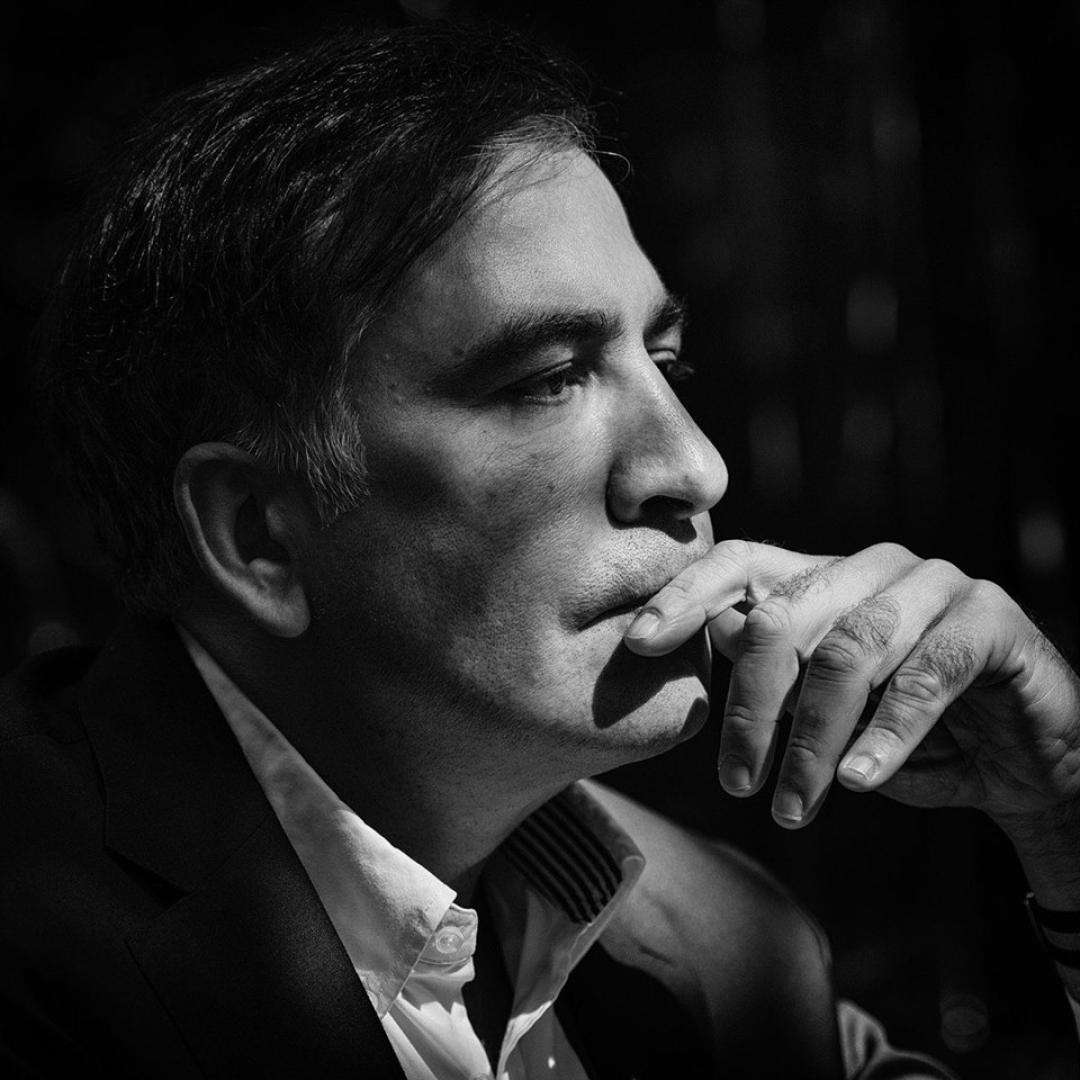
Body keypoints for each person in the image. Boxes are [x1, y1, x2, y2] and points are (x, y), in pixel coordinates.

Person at [2, 20, 1078, 1079]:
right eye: (550, 379)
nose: (697, 468)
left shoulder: (726, 940)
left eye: (666, 361)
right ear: (257, 536)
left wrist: (1064, 821)